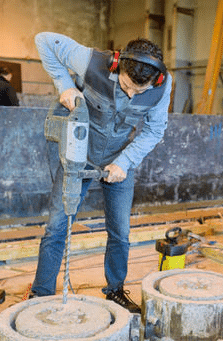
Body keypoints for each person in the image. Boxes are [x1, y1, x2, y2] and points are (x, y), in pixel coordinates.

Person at [30, 32, 172, 313]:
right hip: (77, 156)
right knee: (57, 227)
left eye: (139, 91)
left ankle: (115, 290)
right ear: (118, 64)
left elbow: (155, 130)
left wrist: (125, 161)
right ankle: (41, 294)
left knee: (120, 232)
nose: (131, 94)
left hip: (119, 160)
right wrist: (64, 85)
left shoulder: (162, 86)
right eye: (127, 85)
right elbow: (43, 39)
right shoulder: (91, 61)